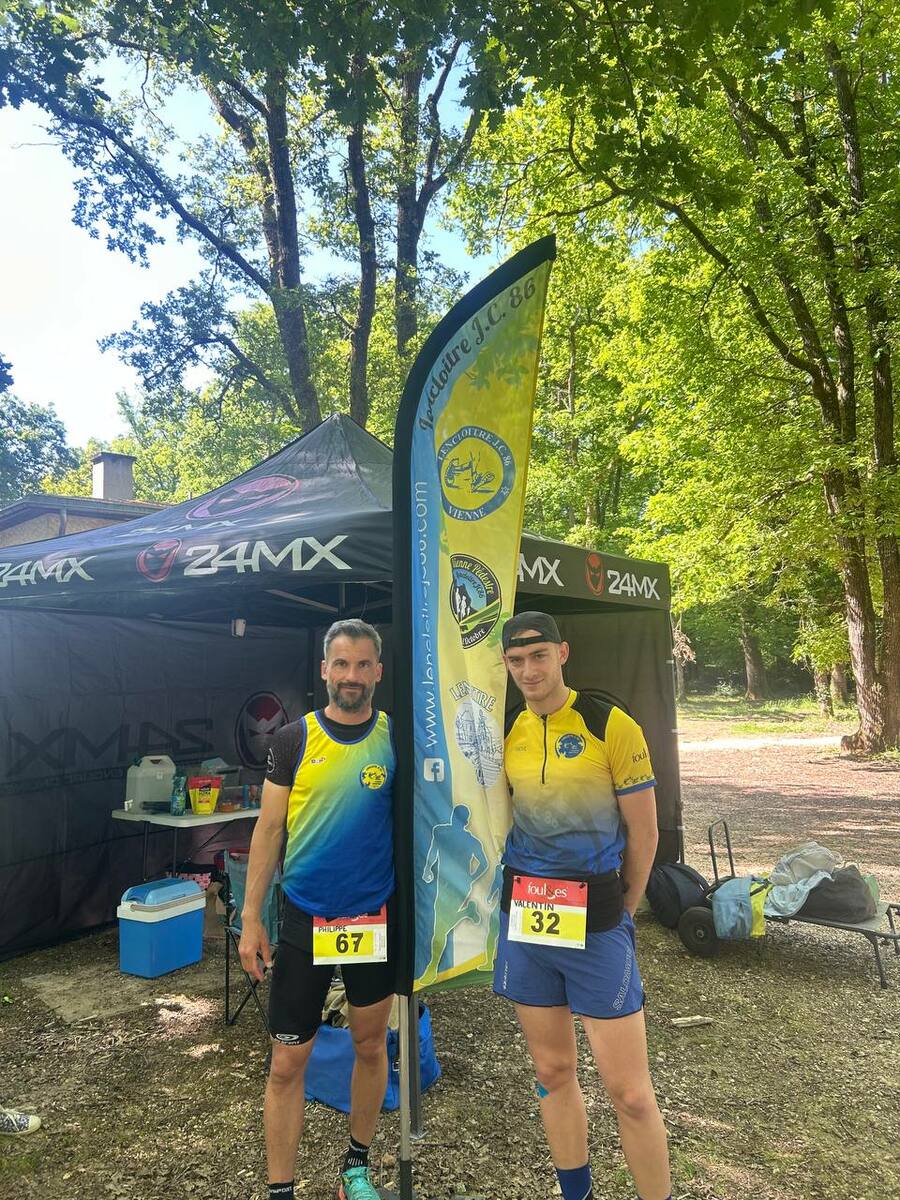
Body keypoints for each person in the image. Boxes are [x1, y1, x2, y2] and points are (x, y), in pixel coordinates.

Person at [494, 611, 672, 1200]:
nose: (529, 671)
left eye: (539, 656)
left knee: (630, 1093)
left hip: (596, 921)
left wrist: (627, 905)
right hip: (527, 916)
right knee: (551, 1073)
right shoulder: (508, 729)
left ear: (563, 653)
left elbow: (645, 832)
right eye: (516, 661)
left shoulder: (609, 723)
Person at [239, 619, 396, 1200]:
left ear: (378, 671)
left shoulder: (396, 737)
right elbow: (268, 830)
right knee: (287, 1063)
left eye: (363, 664)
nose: (352, 675)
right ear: (324, 669)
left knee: (370, 1047)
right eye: (342, 664)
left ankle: (355, 1168)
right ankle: (281, 1189)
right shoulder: (292, 740)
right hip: (306, 920)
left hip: (372, 919)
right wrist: (251, 917)